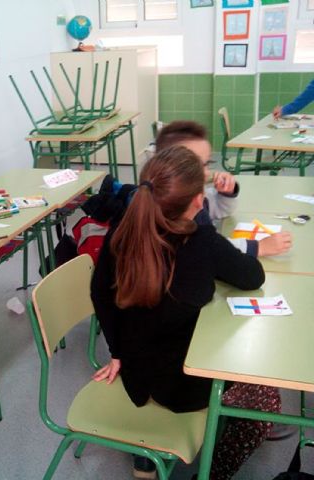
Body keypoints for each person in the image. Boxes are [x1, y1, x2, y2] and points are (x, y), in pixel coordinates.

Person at [90, 146, 280, 480]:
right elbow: (253, 277)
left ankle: (145, 451)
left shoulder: (123, 227)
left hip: (135, 373)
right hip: (182, 382)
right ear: (198, 201)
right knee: (268, 398)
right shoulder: (202, 241)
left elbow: (99, 292)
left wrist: (116, 352)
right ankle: (212, 473)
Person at [156, 120, 292, 258]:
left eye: (207, 164)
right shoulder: (174, 212)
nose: (207, 173)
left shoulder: (194, 196)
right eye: (194, 165)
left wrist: (226, 193)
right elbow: (210, 248)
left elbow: (221, 212)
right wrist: (258, 247)